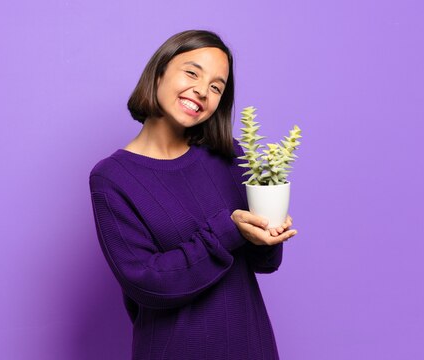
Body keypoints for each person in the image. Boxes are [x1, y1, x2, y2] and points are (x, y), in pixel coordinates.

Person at [89, 29, 297, 360]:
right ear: (159, 73)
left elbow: (262, 263)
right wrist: (229, 231)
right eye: (191, 72)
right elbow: (145, 283)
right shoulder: (112, 178)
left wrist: (269, 234)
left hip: (250, 344)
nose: (202, 91)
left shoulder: (228, 155)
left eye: (216, 87)